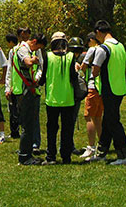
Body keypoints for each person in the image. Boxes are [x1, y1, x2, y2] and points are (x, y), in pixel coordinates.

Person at [90, 20, 126, 164]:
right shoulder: (120, 46)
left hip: (108, 89)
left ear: (98, 32)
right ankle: (102, 152)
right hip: (120, 88)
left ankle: (125, 155)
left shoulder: (103, 49)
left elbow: (95, 71)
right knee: (108, 119)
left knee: (113, 121)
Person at [44, 33, 78, 164]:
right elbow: (73, 77)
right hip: (68, 98)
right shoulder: (70, 57)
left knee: (51, 129)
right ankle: (66, 156)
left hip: (52, 98)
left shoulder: (48, 56)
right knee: (67, 129)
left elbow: (43, 76)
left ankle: (51, 156)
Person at [14, 33, 44, 165]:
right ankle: (25, 156)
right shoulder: (23, 49)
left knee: (30, 124)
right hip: (25, 91)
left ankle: (27, 154)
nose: (37, 51)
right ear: (34, 41)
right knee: (27, 125)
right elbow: (27, 62)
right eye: (38, 47)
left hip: (30, 90)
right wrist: (35, 60)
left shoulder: (28, 49)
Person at [77, 34, 102, 158]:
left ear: (92, 40)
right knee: (97, 117)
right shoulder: (104, 49)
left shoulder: (93, 50)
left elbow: (84, 66)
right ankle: (102, 146)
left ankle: (91, 146)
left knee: (89, 117)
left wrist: (78, 69)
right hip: (101, 87)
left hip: (92, 86)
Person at [3, 33, 21, 138]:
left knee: (13, 110)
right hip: (18, 85)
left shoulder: (13, 51)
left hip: (15, 86)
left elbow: (10, 70)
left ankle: (15, 132)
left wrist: (8, 87)